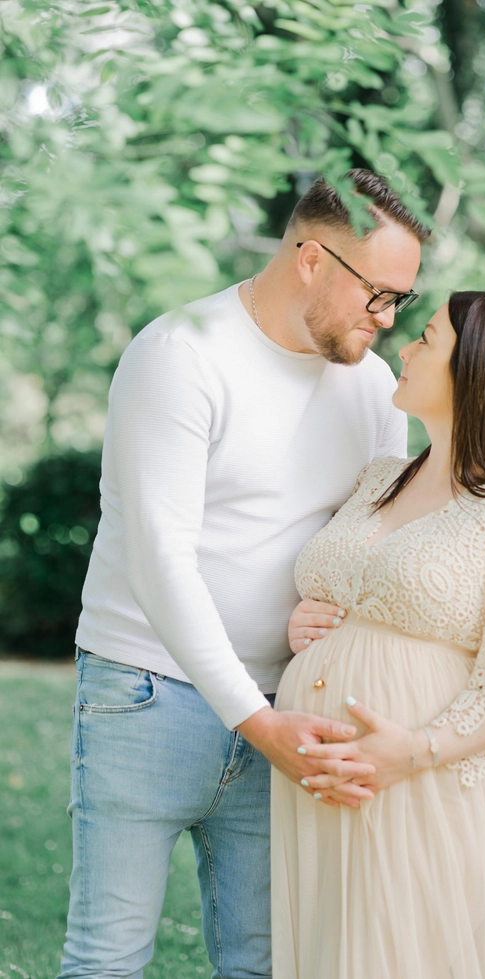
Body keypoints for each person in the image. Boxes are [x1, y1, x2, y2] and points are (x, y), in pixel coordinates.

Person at [57, 170, 431, 979]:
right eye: (376, 294)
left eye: (401, 299)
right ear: (311, 257)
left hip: (294, 701)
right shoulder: (180, 355)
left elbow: (368, 541)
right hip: (147, 692)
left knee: (265, 961)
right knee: (107, 958)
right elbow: (161, 559)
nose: (387, 318)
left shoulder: (373, 386)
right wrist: (257, 725)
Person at [271, 292, 485, 979]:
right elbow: (350, 587)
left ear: (476, 372)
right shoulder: (381, 479)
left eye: (426, 338)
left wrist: (415, 750)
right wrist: (308, 619)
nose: (405, 347)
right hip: (326, 778)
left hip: (427, 778)